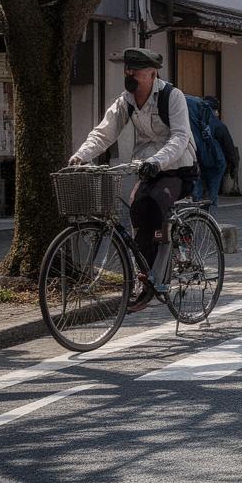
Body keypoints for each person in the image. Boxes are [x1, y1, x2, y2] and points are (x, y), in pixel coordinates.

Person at [68, 48, 197, 312]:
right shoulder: (125, 101)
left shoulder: (173, 97)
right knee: (137, 208)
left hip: (177, 168)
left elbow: (180, 137)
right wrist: (80, 156)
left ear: (152, 73)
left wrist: (158, 161)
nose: (130, 74)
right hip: (146, 168)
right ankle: (146, 277)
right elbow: (104, 133)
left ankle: (168, 260)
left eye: (136, 71)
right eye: (128, 70)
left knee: (157, 202)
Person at [193, 97, 238, 208]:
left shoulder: (195, 122)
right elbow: (228, 147)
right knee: (212, 195)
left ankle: (195, 217)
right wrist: (233, 164)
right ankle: (208, 219)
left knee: (197, 194)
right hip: (216, 163)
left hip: (198, 162)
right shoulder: (219, 126)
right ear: (215, 110)